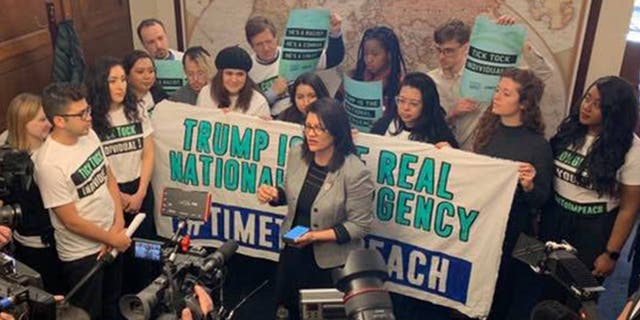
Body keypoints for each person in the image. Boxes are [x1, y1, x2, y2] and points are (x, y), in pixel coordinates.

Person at [257, 98, 374, 320]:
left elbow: (360, 226)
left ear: (337, 132)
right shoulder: (297, 153)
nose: (311, 133)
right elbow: (292, 194)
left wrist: (314, 236)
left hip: (327, 263)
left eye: (319, 128)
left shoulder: (354, 172)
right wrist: (275, 194)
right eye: (308, 127)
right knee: (287, 308)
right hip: (293, 251)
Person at [33, 82, 131, 319]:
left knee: (113, 303)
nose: (89, 118)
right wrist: (111, 238)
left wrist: (117, 225)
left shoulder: (89, 134)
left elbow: (109, 178)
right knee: (90, 314)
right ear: (59, 120)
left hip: (112, 235)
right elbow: (70, 221)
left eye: (87, 110)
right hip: (83, 256)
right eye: (81, 114)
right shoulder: (48, 164)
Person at [542, 76, 640, 297]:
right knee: (540, 287)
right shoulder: (570, 131)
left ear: (614, 111)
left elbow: (629, 209)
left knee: (577, 297)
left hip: (592, 230)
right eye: (587, 98)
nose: (587, 107)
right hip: (554, 216)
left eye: (598, 105)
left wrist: (611, 253)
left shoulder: (631, 149)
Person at [472, 68, 553, 319]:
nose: (496, 96)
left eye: (505, 93)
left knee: (505, 294)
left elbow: (541, 198)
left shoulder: (538, 145)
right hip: (483, 226)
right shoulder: (487, 130)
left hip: (514, 233)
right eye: (497, 90)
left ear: (524, 103)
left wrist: (528, 185)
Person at [85, 56, 158, 293]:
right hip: (110, 194)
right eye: (112, 80)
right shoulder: (90, 118)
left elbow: (148, 152)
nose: (120, 86)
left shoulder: (137, 108)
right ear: (99, 83)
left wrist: (141, 191)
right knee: (118, 251)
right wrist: (120, 197)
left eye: (123, 80)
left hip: (140, 188)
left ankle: (148, 293)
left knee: (146, 249)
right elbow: (99, 168)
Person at [429, 16, 552, 150]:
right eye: (438, 50)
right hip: (445, 152)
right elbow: (425, 123)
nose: (442, 57)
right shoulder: (430, 80)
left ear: (466, 47)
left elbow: (543, 73)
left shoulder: (491, 74)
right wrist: (451, 113)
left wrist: (518, 40)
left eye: (449, 51)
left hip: (484, 154)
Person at [3, 93, 67, 294]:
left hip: (61, 238)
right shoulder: (8, 159)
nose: (49, 123)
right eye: (41, 120)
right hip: (33, 246)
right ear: (23, 123)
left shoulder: (56, 148)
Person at [245, 14, 345, 116]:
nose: (266, 48)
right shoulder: (248, 68)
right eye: (259, 44)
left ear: (276, 38)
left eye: (269, 41)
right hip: (274, 120)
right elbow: (248, 107)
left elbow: (333, 58)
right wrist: (272, 94)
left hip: (306, 115)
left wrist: (335, 32)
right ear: (251, 46)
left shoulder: (294, 53)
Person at [370, 72, 458, 148]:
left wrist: (449, 152)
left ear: (426, 105)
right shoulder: (383, 125)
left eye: (414, 104)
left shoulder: (439, 134)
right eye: (401, 101)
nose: (405, 108)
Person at [336, 26, 406, 115]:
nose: (369, 59)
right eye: (366, 54)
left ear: (389, 55)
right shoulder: (354, 76)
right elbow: (335, 106)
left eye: (375, 54)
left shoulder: (399, 84)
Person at [196, 46, 270, 118]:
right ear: (220, 75)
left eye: (240, 74)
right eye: (229, 73)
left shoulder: (259, 103)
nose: (234, 79)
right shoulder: (205, 93)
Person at [123, 50, 169, 115]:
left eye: (151, 71)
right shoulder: (120, 101)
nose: (147, 77)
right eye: (140, 72)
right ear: (126, 75)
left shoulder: (159, 94)